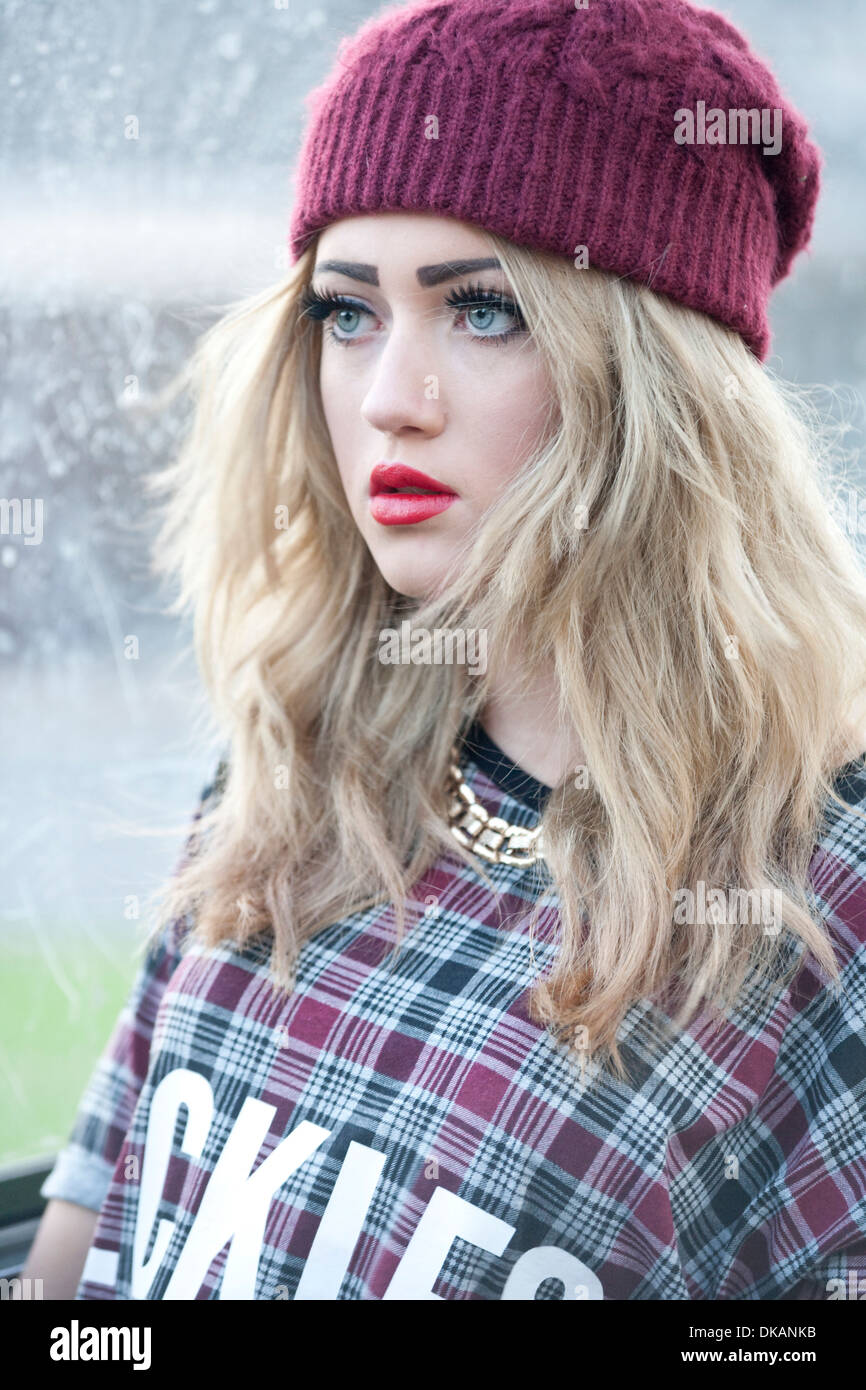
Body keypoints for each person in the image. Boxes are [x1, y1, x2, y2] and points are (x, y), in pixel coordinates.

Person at [23, 0, 866, 1301]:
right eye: (347, 314)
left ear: (653, 385)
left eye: (481, 312)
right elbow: (71, 1290)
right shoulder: (289, 781)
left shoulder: (816, 908)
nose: (387, 398)